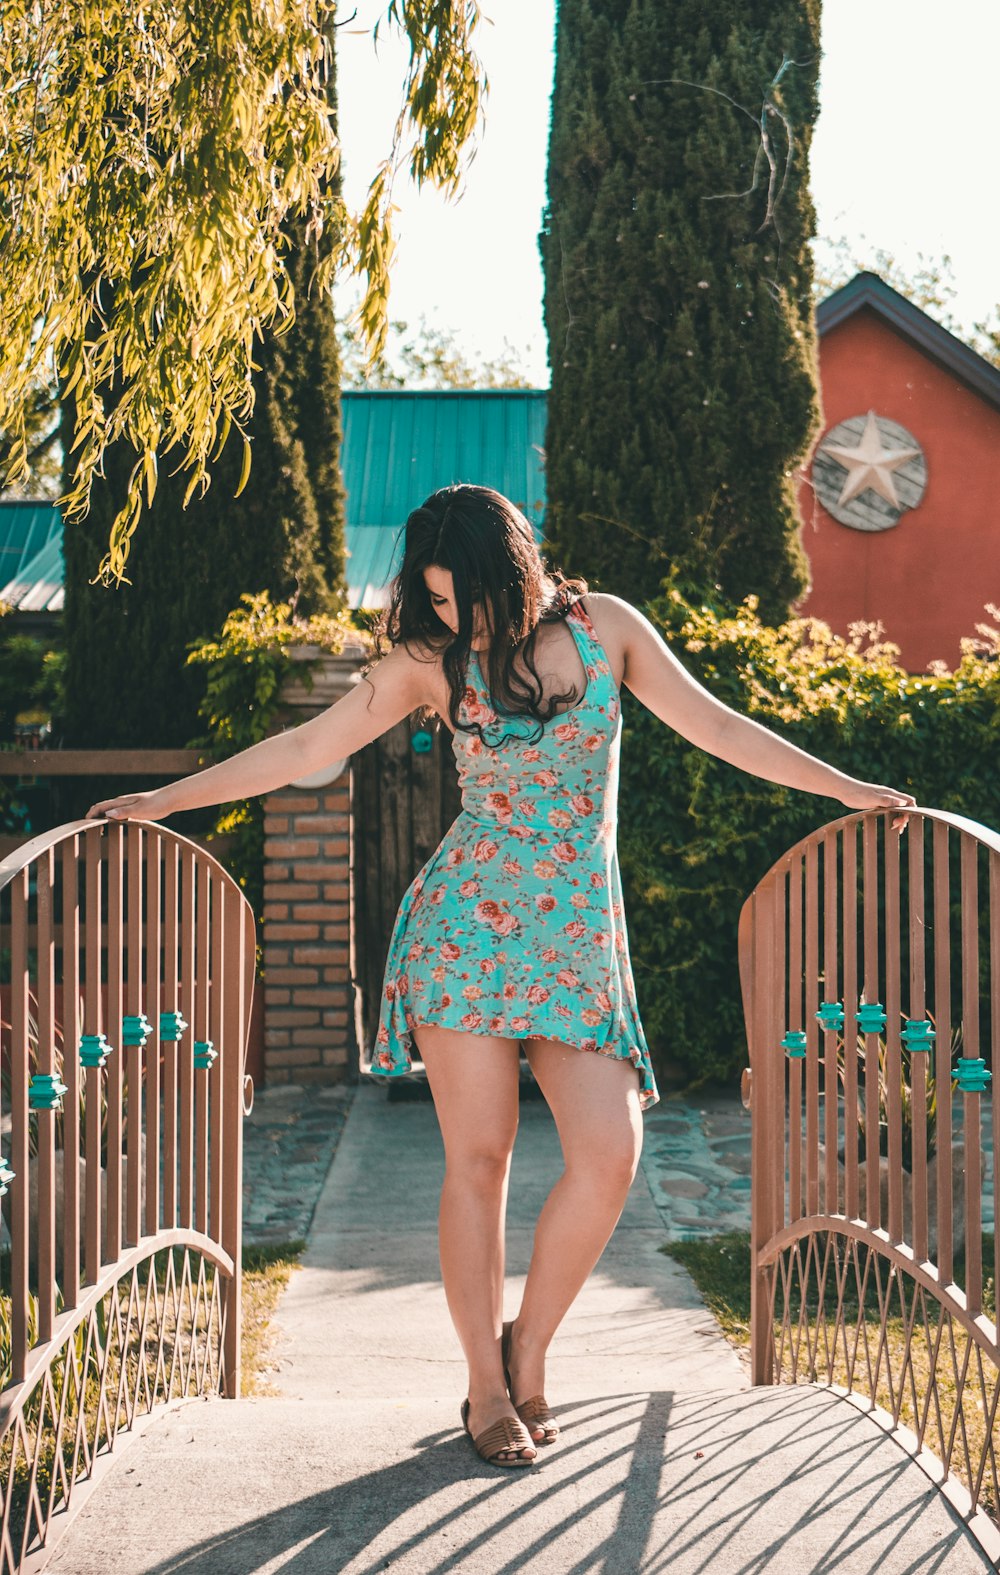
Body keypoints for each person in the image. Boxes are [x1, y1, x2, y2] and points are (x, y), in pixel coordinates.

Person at [87, 483, 917, 1470]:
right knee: (477, 1160)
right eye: (435, 600)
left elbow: (721, 729)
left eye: (466, 596)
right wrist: (167, 800)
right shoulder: (428, 665)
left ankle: (528, 1344)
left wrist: (847, 786)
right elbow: (310, 747)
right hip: (461, 938)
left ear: (514, 569)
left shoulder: (607, 631)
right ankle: (488, 1387)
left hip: (573, 944)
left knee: (608, 1153)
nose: (452, 617)